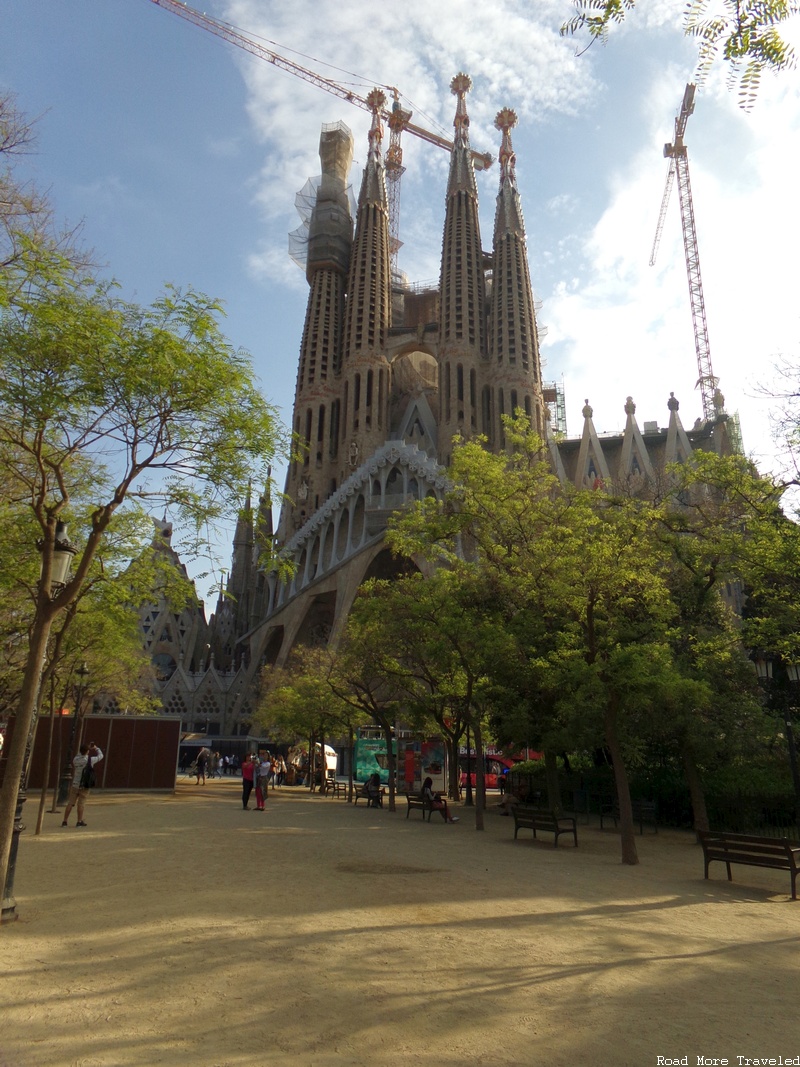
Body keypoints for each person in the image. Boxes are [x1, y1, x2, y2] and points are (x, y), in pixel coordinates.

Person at [62, 742, 104, 828]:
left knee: (70, 803)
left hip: (75, 784)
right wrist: (96, 748)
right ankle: (79, 821)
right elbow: (101, 756)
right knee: (81, 804)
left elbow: (80, 753)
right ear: (87, 751)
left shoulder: (75, 759)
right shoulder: (89, 760)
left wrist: (85, 748)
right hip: (84, 785)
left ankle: (65, 821)